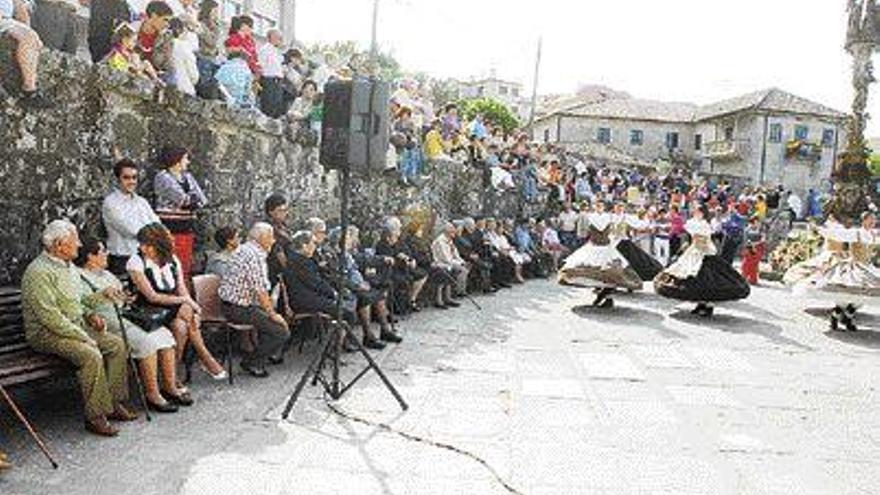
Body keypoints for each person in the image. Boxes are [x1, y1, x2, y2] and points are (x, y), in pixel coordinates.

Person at [21, 220, 136, 437]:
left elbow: (78, 302)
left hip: (73, 327)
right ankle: (96, 416)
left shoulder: (69, 267)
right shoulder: (38, 272)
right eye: (74, 240)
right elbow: (50, 317)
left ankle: (113, 402)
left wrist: (97, 303)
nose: (80, 245)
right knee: (90, 354)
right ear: (58, 245)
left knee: (116, 344)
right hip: (47, 334)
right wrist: (83, 336)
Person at [75, 237, 188, 413]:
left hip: (125, 315)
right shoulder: (79, 277)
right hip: (106, 321)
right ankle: (152, 394)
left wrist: (126, 297)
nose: (106, 254)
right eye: (102, 251)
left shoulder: (106, 274)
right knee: (147, 343)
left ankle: (170, 386)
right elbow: (81, 303)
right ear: (91, 256)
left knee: (164, 336)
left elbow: (121, 295)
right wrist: (102, 296)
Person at [127, 223, 227, 380]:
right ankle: (204, 357)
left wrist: (188, 303)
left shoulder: (172, 260)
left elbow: (181, 289)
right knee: (188, 312)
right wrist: (188, 302)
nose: (143, 249)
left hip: (171, 308)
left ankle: (173, 374)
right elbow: (152, 296)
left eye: (147, 245)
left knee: (181, 326)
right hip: (148, 309)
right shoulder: (136, 262)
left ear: (159, 244)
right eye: (141, 245)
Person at [786, 212, 880, 331]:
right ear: (864, 220)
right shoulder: (856, 233)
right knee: (848, 293)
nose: (873, 222)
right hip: (855, 266)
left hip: (867, 268)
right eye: (871, 219)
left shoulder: (872, 234)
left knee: (865, 295)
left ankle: (846, 316)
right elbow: (837, 235)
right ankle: (837, 317)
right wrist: (819, 229)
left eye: (874, 220)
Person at [218, 223, 290, 377]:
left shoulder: (246, 249)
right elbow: (260, 290)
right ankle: (252, 362)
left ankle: (259, 357)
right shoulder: (254, 255)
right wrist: (272, 313)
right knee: (281, 331)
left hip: (235, 304)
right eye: (271, 237)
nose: (273, 241)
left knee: (272, 324)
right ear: (261, 238)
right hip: (237, 308)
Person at [654, 203, 751, 317]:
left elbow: (706, 240)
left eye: (698, 211)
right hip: (694, 251)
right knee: (694, 279)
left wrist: (702, 248)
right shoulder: (693, 223)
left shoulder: (704, 225)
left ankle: (708, 306)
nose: (695, 213)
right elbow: (691, 235)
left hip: (704, 252)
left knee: (707, 281)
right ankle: (700, 304)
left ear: (702, 213)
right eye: (695, 211)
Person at [558, 201, 642, 308]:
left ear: (603, 207)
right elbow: (582, 231)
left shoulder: (609, 217)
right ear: (595, 207)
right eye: (597, 206)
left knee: (611, 272)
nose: (599, 207)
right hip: (595, 246)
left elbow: (627, 223)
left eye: (601, 206)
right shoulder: (591, 216)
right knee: (598, 271)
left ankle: (606, 297)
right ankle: (604, 295)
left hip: (605, 247)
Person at [331, 226, 402, 348]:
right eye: (349, 237)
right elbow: (338, 277)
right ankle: (368, 336)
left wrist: (380, 260)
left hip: (358, 283)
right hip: (349, 289)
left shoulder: (348, 252)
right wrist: (359, 285)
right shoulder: (336, 254)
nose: (353, 240)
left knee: (379, 295)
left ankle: (385, 330)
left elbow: (364, 260)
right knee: (366, 298)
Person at [153, 145, 207, 277]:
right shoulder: (163, 177)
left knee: (184, 265)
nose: (187, 162)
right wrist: (191, 201)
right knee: (169, 266)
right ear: (177, 160)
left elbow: (202, 200)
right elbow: (182, 200)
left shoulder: (187, 177)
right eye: (185, 158)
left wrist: (191, 201)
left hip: (186, 227)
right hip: (168, 227)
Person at [102, 159, 160, 275]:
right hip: (122, 260)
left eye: (134, 177)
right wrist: (152, 230)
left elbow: (158, 224)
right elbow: (131, 230)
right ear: (118, 179)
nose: (131, 181)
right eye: (126, 177)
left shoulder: (142, 202)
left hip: (145, 257)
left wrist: (153, 231)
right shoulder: (111, 203)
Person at [0, 0, 52, 108]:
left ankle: (30, 89)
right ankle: (29, 91)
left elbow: (20, 8)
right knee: (29, 38)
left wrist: (27, 29)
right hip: (3, 20)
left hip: (6, 20)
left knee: (34, 41)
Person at [375, 216, 428, 313]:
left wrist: (410, 259)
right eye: (398, 228)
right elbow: (387, 259)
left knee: (422, 274)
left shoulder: (400, 241)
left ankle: (411, 300)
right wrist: (400, 258)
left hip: (404, 268)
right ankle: (397, 307)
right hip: (391, 270)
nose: (400, 230)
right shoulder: (383, 243)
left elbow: (408, 252)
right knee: (402, 280)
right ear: (392, 230)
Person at [432, 222, 469, 298]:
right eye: (452, 230)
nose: (455, 232)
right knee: (462, 270)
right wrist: (459, 263)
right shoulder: (440, 241)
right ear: (446, 231)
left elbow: (456, 255)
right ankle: (458, 291)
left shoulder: (449, 240)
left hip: (449, 262)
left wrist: (462, 261)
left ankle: (457, 292)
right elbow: (446, 258)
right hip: (440, 263)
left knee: (465, 267)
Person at [257, 29, 287, 118]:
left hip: (278, 81)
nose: (280, 40)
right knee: (268, 106)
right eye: (279, 37)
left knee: (277, 106)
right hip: (269, 80)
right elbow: (260, 65)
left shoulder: (276, 51)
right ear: (272, 37)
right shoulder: (265, 49)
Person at [136, 1, 173, 65]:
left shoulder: (166, 36)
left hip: (156, 72)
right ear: (154, 16)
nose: (167, 24)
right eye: (165, 20)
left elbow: (162, 63)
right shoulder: (133, 29)